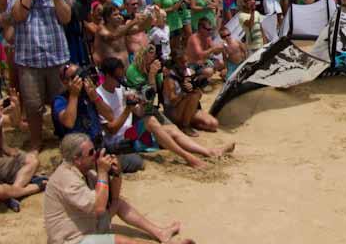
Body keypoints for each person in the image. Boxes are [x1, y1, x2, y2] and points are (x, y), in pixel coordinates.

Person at [44, 133, 196, 244]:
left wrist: (116, 174)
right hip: (72, 243)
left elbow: (113, 198)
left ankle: (160, 233)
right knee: (124, 243)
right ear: (77, 159)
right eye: (91, 153)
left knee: (119, 203)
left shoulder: (84, 171)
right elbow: (98, 207)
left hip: (88, 225)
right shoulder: (66, 178)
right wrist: (103, 172)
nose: (95, 154)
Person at [96, 57, 231, 170]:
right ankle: (189, 158)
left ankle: (208, 152)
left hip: (132, 133)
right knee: (152, 122)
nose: (121, 80)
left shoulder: (120, 89)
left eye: (121, 76)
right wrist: (128, 109)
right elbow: (112, 130)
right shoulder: (99, 96)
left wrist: (143, 103)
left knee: (170, 128)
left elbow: (140, 112)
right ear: (107, 76)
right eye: (118, 77)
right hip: (118, 141)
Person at [7, 0, 72, 151]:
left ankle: (64, 138)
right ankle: (36, 141)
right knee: (33, 106)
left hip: (56, 58)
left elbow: (66, 18)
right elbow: (18, 15)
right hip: (29, 61)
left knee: (61, 102)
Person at [53, 63, 143, 174]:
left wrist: (94, 97)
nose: (79, 80)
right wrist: (74, 95)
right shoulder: (61, 100)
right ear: (65, 81)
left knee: (136, 161)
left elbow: (109, 116)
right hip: (79, 152)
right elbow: (69, 122)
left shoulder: (89, 94)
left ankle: (103, 165)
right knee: (98, 171)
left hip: (98, 145)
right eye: (74, 77)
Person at [162, 50, 219, 136]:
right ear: (175, 63)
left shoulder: (188, 72)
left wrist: (194, 87)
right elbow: (173, 101)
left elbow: (199, 95)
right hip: (173, 111)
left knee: (213, 124)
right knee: (193, 96)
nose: (185, 64)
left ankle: (187, 121)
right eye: (182, 62)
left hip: (188, 108)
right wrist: (184, 93)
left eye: (186, 61)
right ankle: (185, 126)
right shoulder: (170, 78)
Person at [185, 18, 225, 84]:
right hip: (194, 64)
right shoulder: (194, 38)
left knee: (221, 63)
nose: (210, 31)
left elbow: (216, 53)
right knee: (209, 71)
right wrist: (213, 49)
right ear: (201, 28)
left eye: (211, 29)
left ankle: (205, 76)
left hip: (205, 61)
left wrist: (221, 48)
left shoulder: (207, 37)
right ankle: (197, 79)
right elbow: (200, 54)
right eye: (208, 29)